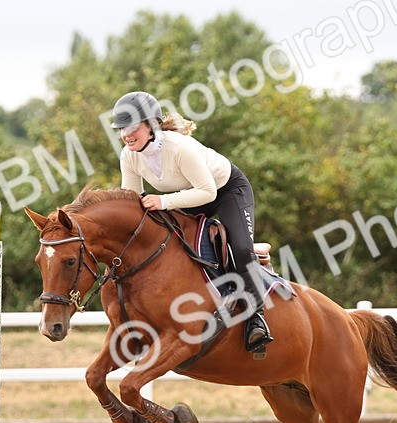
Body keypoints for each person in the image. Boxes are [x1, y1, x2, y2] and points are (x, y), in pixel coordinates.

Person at [110, 90, 274, 355]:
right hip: (188, 197)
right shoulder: (129, 156)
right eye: (121, 129)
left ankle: (258, 319)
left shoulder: (179, 147)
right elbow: (133, 200)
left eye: (131, 127)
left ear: (151, 125)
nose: (126, 134)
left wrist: (162, 202)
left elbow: (207, 192)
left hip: (225, 191)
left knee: (241, 250)